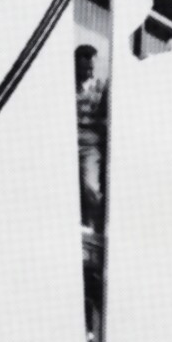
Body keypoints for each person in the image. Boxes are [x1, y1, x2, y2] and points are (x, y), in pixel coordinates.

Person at [75, 44, 107, 228]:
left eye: (91, 65)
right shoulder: (69, 85)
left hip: (90, 144)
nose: (89, 68)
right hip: (68, 139)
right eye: (85, 64)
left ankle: (95, 225)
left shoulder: (99, 88)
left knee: (91, 187)